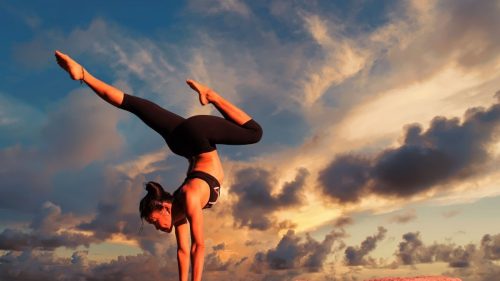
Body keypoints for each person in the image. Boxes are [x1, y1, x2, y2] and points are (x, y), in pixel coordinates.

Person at [54, 50, 262, 281]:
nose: (158, 227)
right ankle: (83, 73)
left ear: (165, 206)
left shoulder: (189, 196)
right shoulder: (180, 213)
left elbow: (199, 247)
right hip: (181, 142)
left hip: (199, 138)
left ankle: (211, 95)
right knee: (132, 104)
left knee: (255, 133)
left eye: (154, 221)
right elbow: (183, 252)